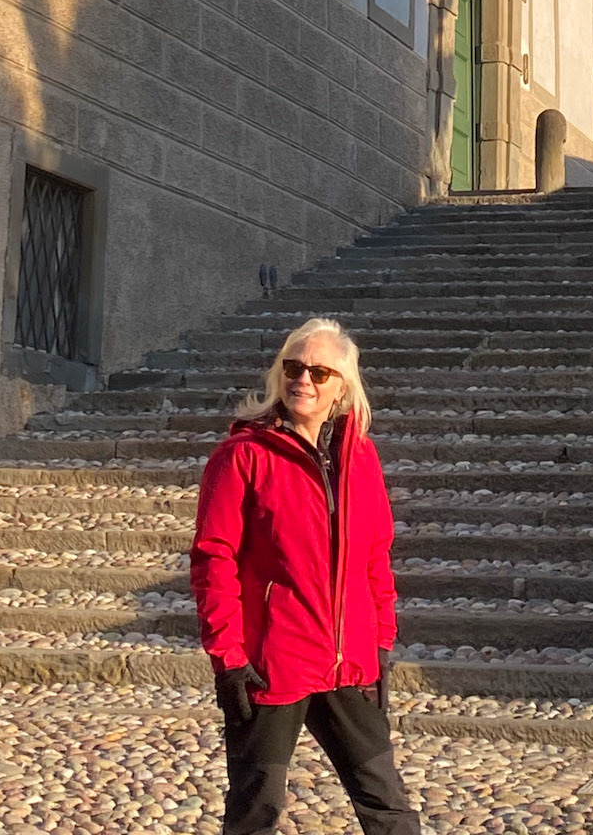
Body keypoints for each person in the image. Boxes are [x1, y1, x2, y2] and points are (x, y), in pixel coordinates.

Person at [190, 315, 421, 835]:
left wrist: (380, 642)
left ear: (342, 387)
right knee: (256, 810)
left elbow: (375, 556)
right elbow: (213, 559)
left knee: (387, 804)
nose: (303, 380)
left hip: (350, 663)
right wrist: (229, 658)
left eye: (319, 372)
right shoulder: (243, 456)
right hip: (271, 664)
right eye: (293, 368)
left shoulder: (360, 457)